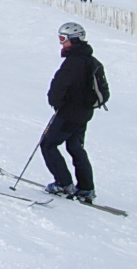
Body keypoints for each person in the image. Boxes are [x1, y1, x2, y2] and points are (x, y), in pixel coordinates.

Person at [41, 22, 97, 203]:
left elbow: (59, 85)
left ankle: (64, 184)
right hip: (84, 113)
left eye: (63, 39)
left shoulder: (74, 62)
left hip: (69, 113)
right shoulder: (90, 60)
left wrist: (56, 102)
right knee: (75, 147)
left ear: (74, 39)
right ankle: (86, 188)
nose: (61, 43)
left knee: (48, 144)